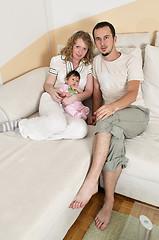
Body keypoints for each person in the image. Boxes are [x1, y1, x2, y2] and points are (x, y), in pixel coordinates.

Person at [69, 21, 150, 230]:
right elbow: (96, 92)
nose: (102, 42)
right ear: (95, 42)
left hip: (136, 114)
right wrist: (96, 114)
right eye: (98, 39)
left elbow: (132, 94)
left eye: (106, 37)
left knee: (108, 119)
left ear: (115, 39)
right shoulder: (96, 62)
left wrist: (111, 109)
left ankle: (91, 182)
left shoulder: (130, 61)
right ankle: (109, 201)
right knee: (113, 141)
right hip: (112, 118)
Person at [0, 31, 94, 140]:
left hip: (72, 107)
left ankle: (39, 129)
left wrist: (74, 97)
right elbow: (48, 84)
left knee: (81, 130)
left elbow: (88, 91)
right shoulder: (58, 61)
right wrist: (53, 92)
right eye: (78, 46)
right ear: (72, 45)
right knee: (58, 123)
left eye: (84, 48)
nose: (80, 51)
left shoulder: (88, 66)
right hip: (52, 99)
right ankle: (21, 124)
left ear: (88, 51)